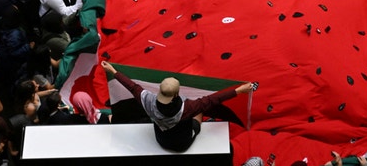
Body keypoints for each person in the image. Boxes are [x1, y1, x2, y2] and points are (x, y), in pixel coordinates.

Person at [101, 61, 257, 152]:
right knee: (200, 112)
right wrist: (239, 90)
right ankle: (199, 127)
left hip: (160, 139)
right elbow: (213, 99)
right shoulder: (188, 108)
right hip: (182, 144)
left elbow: (132, 87)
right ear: (176, 95)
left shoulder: (147, 100)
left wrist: (113, 71)